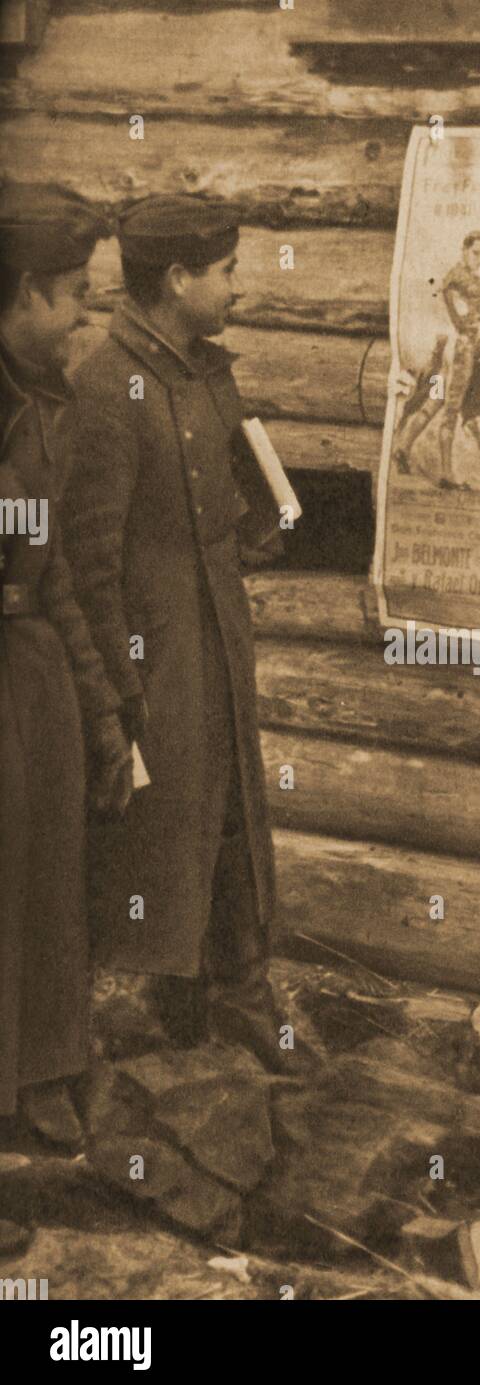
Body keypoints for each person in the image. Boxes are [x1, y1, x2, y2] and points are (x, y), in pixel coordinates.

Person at [59, 193, 285, 1071]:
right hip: (158, 655)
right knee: (162, 833)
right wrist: (121, 689)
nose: (238, 286)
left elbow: (213, 499)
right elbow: (89, 559)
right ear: (180, 277)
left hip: (216, 638)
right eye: (226, 271)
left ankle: (240, 1000)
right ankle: (158, 1020)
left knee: (231, 814)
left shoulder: (197, 371)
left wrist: (260, 518)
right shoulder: (107, 386)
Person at [0, 182, 132, 1168]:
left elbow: (60, 576)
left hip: (30, 670)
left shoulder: (56, 406)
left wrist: (103, 711)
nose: (85, 316)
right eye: (73, 295)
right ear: (26, 294)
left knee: (47, 878)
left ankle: (41, 1073)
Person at [393, 231, 480, 485]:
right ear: (464, 250)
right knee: (450, 411)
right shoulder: (461, 277)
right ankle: (446, 474)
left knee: (434, 402)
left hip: (448, 353)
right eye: (476, 253)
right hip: (461, 353)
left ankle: (403, 447)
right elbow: (471, 312)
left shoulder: (463, 277)